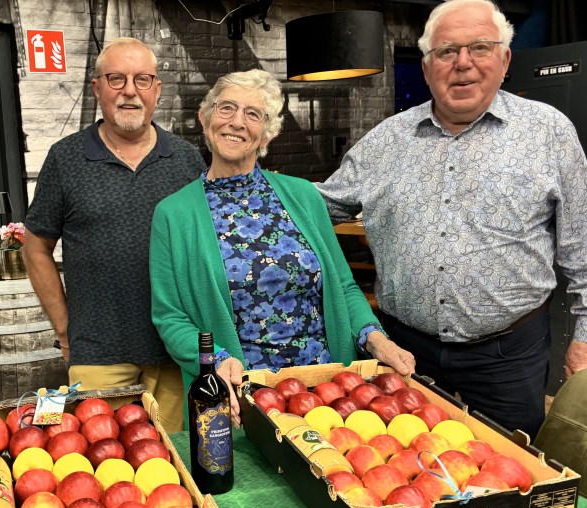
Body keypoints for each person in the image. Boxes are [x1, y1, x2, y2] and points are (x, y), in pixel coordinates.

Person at [315, 0, 587, 437]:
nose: (463, 63)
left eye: (480, 47)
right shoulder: (386, 141)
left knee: (509, 466)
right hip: (404, 352)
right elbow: (320, 205)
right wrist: (247, 182)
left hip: (508, 357)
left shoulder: (548, 132)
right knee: (405, 461)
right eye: (446, 51)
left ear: (505, 60)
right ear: (427, 67)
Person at [150, 69, 416, 425]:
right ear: (205, 117)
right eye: (226, 108)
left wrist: (375, 338)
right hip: (241, 396)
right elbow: (170, 318)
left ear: (268, 133)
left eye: (253, 114)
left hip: (329, 392)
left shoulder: (304, 196)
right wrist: (216, 361)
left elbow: (343, 287)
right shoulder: (173, 214)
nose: (237, 122)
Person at [22, 37, 205, 432]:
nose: (129, 91)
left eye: (142, 80)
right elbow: (35, 247)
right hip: (97, 351)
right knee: (102, 456)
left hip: (175, 349)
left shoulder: (187, 159)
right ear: (97, 87)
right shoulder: (66, 158)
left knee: (175, 456)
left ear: (157, 89)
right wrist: (64, 330)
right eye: (116, 79)